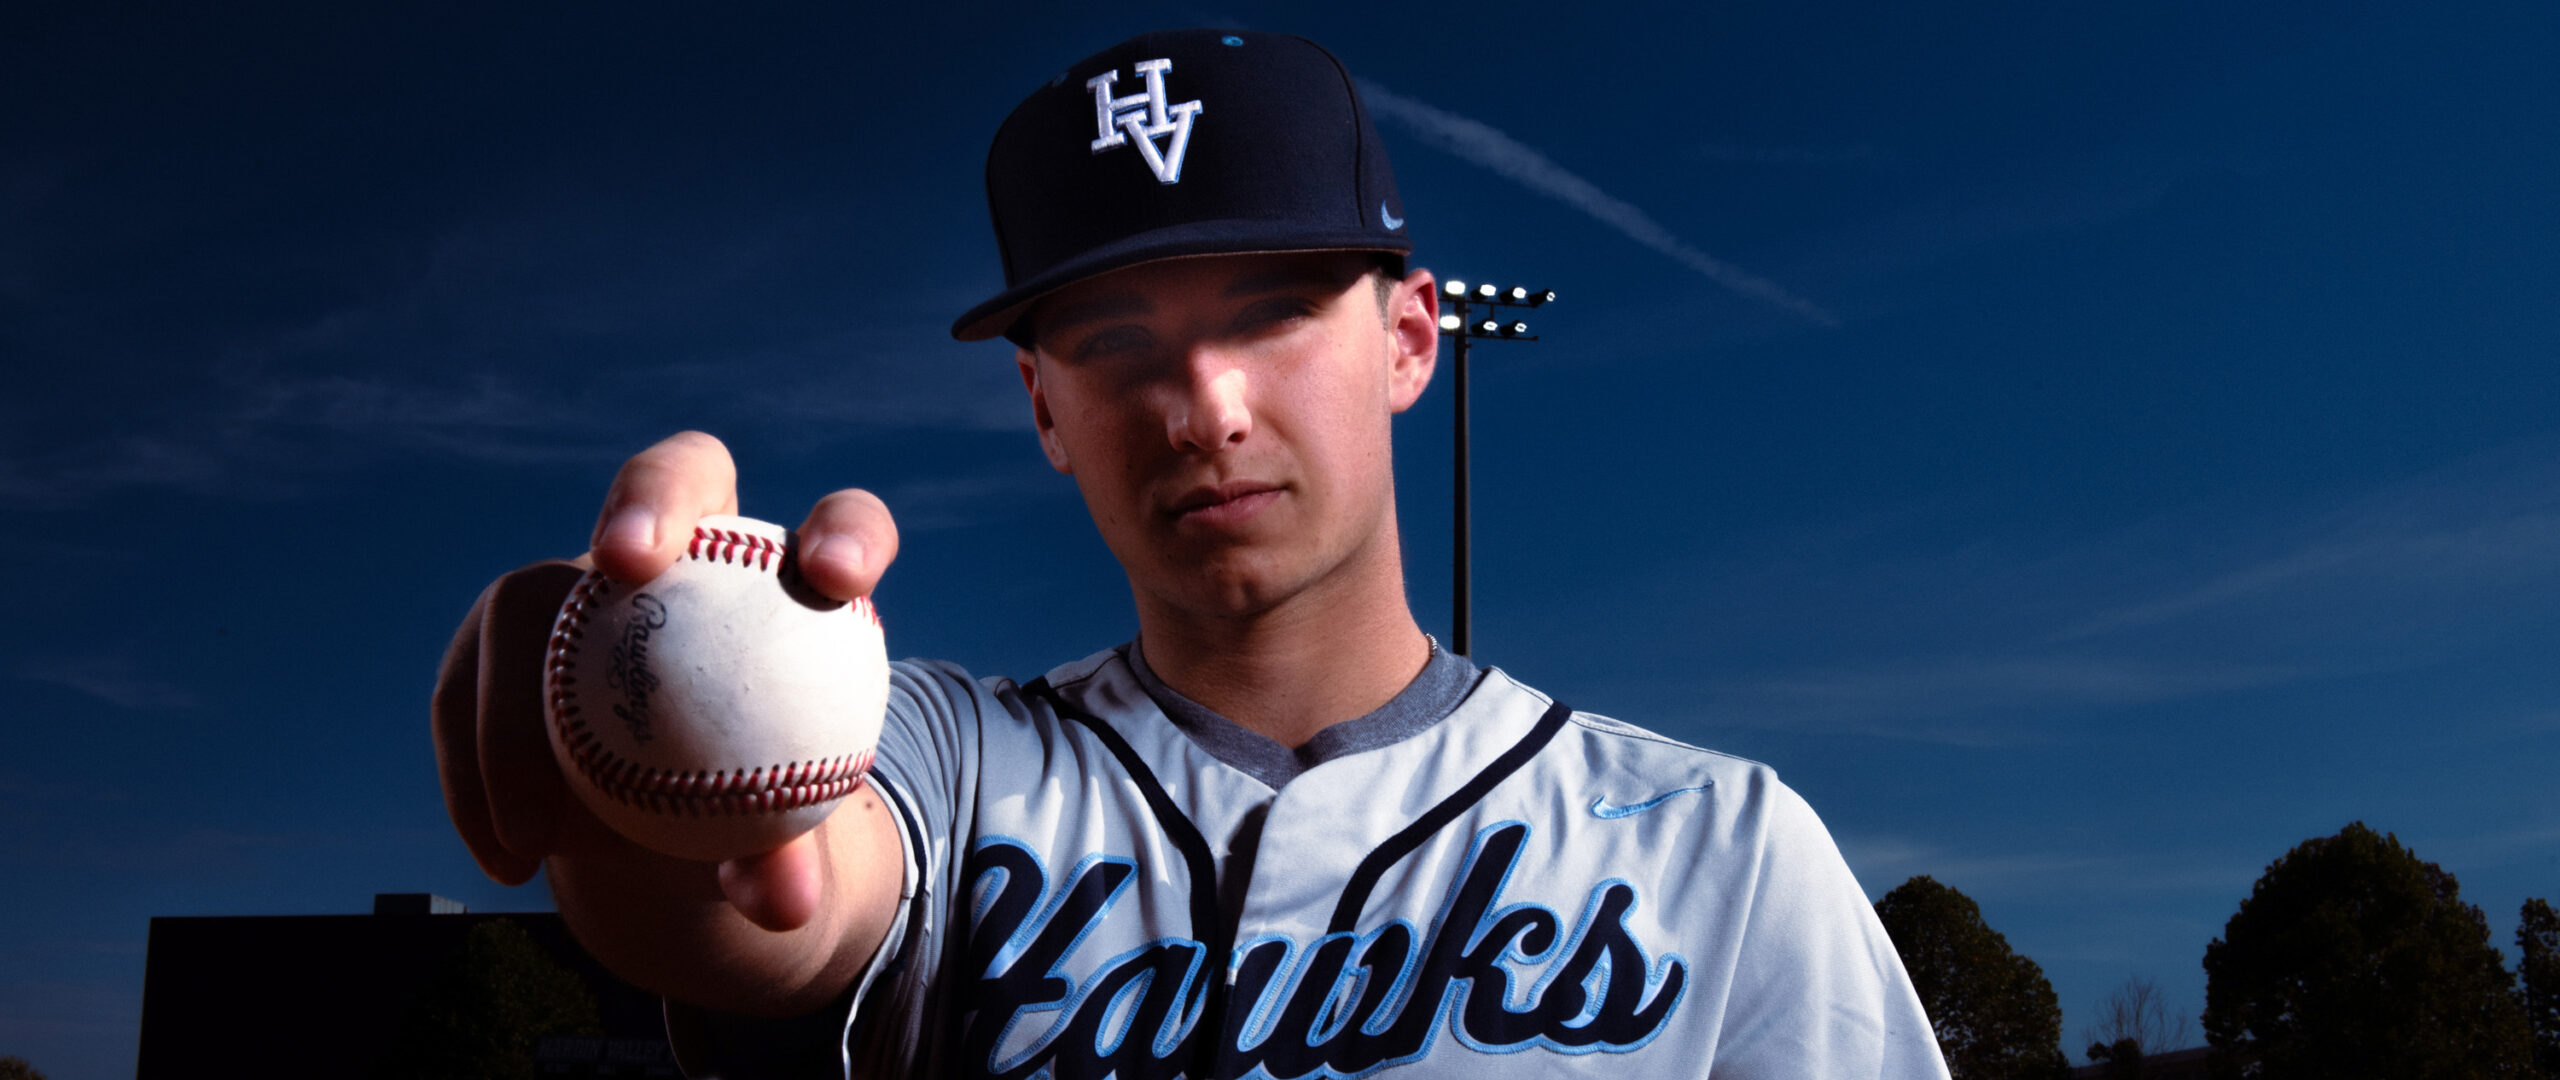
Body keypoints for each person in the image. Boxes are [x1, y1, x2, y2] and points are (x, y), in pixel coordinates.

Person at [432, 28, 1950, 1080]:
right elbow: (774, 895)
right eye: (1112, 340)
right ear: (1045, 405)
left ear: (1412, 337)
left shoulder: (1719, 848)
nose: (1198, 407)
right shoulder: (953, 768)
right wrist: (637, 728)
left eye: (1274, 312)